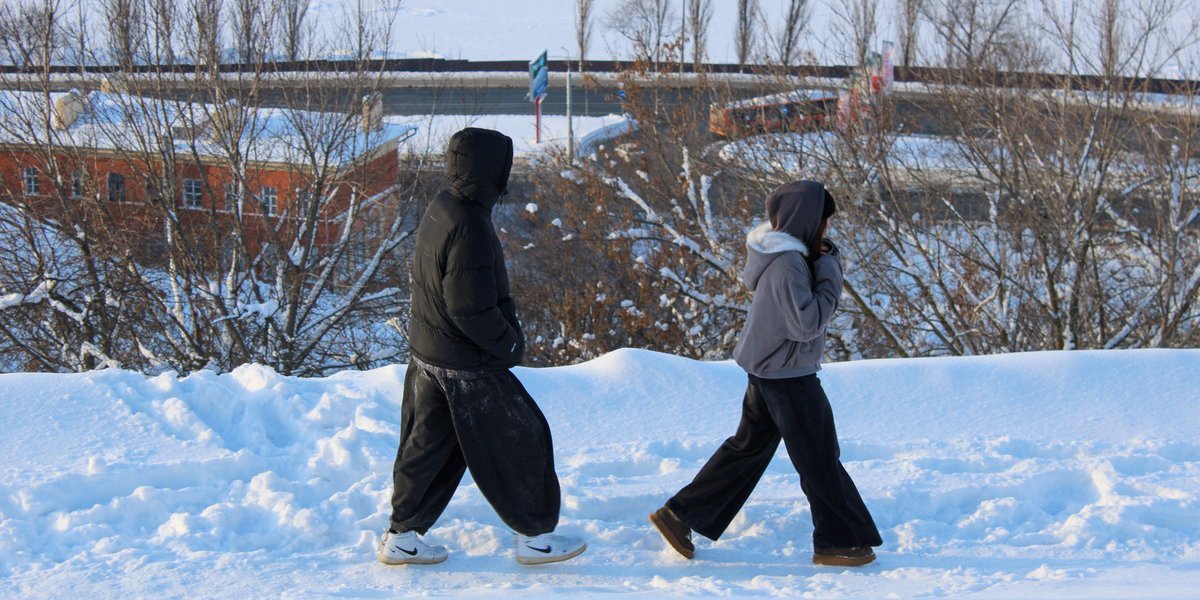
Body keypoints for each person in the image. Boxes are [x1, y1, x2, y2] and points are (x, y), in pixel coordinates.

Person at [380, 127, 586, 567]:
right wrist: (509, 345)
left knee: (429, 446)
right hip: (465, 363)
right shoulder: (470, 223)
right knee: (521, 441)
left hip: (430, 355)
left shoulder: (444, 206)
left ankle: (402, 536)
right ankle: (535, 538)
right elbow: (468, 307)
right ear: (492, 170)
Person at [649, 180, 882, 566]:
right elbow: (806, 324)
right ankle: (838, 541)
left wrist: (822, 261)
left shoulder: (790, 257)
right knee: (819, 458)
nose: (827, 229)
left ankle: (679, 515)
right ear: (807, 220)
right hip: (788, 376)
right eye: (824, 220)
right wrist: (829, 271)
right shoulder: (788, 264)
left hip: (773, 370)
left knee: (748, 450)